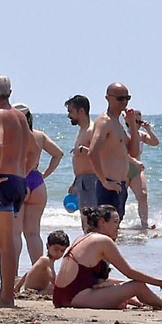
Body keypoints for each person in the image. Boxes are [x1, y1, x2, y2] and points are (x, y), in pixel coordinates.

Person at [52, 205, 162, 310]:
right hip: (74, 298)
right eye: (115, 222)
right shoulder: (103, 241)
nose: (118, 227)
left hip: (59, 297)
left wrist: (118, 286)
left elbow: (85, 277)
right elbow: (129, 272)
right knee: (138, 285)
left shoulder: (82, 238)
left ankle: (138, 300)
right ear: (102, 222)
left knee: (121, 284)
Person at [0, 76, 39, 308]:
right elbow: (34, 149)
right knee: (6, 241)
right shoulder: (19, 117)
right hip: (16, 181)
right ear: (10, 92)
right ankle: (5, 292)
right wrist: (23, 174)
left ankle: (6, 296)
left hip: (2, 183)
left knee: (5, 243)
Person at [14, 104, 64, 264]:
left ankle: (12, 275)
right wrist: (45, 174)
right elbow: (58, 154)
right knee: (33, 233)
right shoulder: (38, 136)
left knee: (15, 233)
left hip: (17, 179)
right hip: (36, 182)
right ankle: (40, 272)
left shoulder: (10, 136)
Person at [87, 83, 134, 221]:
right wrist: (104, 182)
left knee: (115, 230)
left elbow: (133, 152)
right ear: (108, 98)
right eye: (120, 98)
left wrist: (132, 125)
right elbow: (92, 152)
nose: (124, 102)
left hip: (121, 185)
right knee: (105, 229)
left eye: (127, 98)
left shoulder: (117, 123)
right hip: (108, 185)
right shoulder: (104, 121)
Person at [63, 93, 96, 228]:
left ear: (81, 111)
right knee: (84, 220)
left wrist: (83, 150)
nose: (69, 115)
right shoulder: (81, 130)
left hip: (92, 181)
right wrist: (75, 183)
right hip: (82, 181)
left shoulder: (92, 130)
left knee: (91, 219)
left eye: (71, 111)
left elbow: (102, 155)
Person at [125, 108, 159, 230]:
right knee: (121, 197)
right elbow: (120, 152)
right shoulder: (125, 134)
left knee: (143, 195)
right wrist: (133, 160)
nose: (138, 124)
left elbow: (155, 142)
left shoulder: (141, 135)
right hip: (123, 169)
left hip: (136, 170)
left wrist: (148, 129)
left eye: (140, 121)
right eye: (136, 121)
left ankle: (144, 223)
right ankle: (116, 222)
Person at [15, 230, 70, 295]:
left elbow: (28, 272)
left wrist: (17, 286)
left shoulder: (43, 259)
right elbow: (52, 278)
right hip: (35, 291)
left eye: (62, 251)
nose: (58, 253)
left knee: (51, 286)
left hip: (32, 288)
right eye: (56, 249)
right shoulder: (47, 260)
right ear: (47, 246)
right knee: (54, 290)